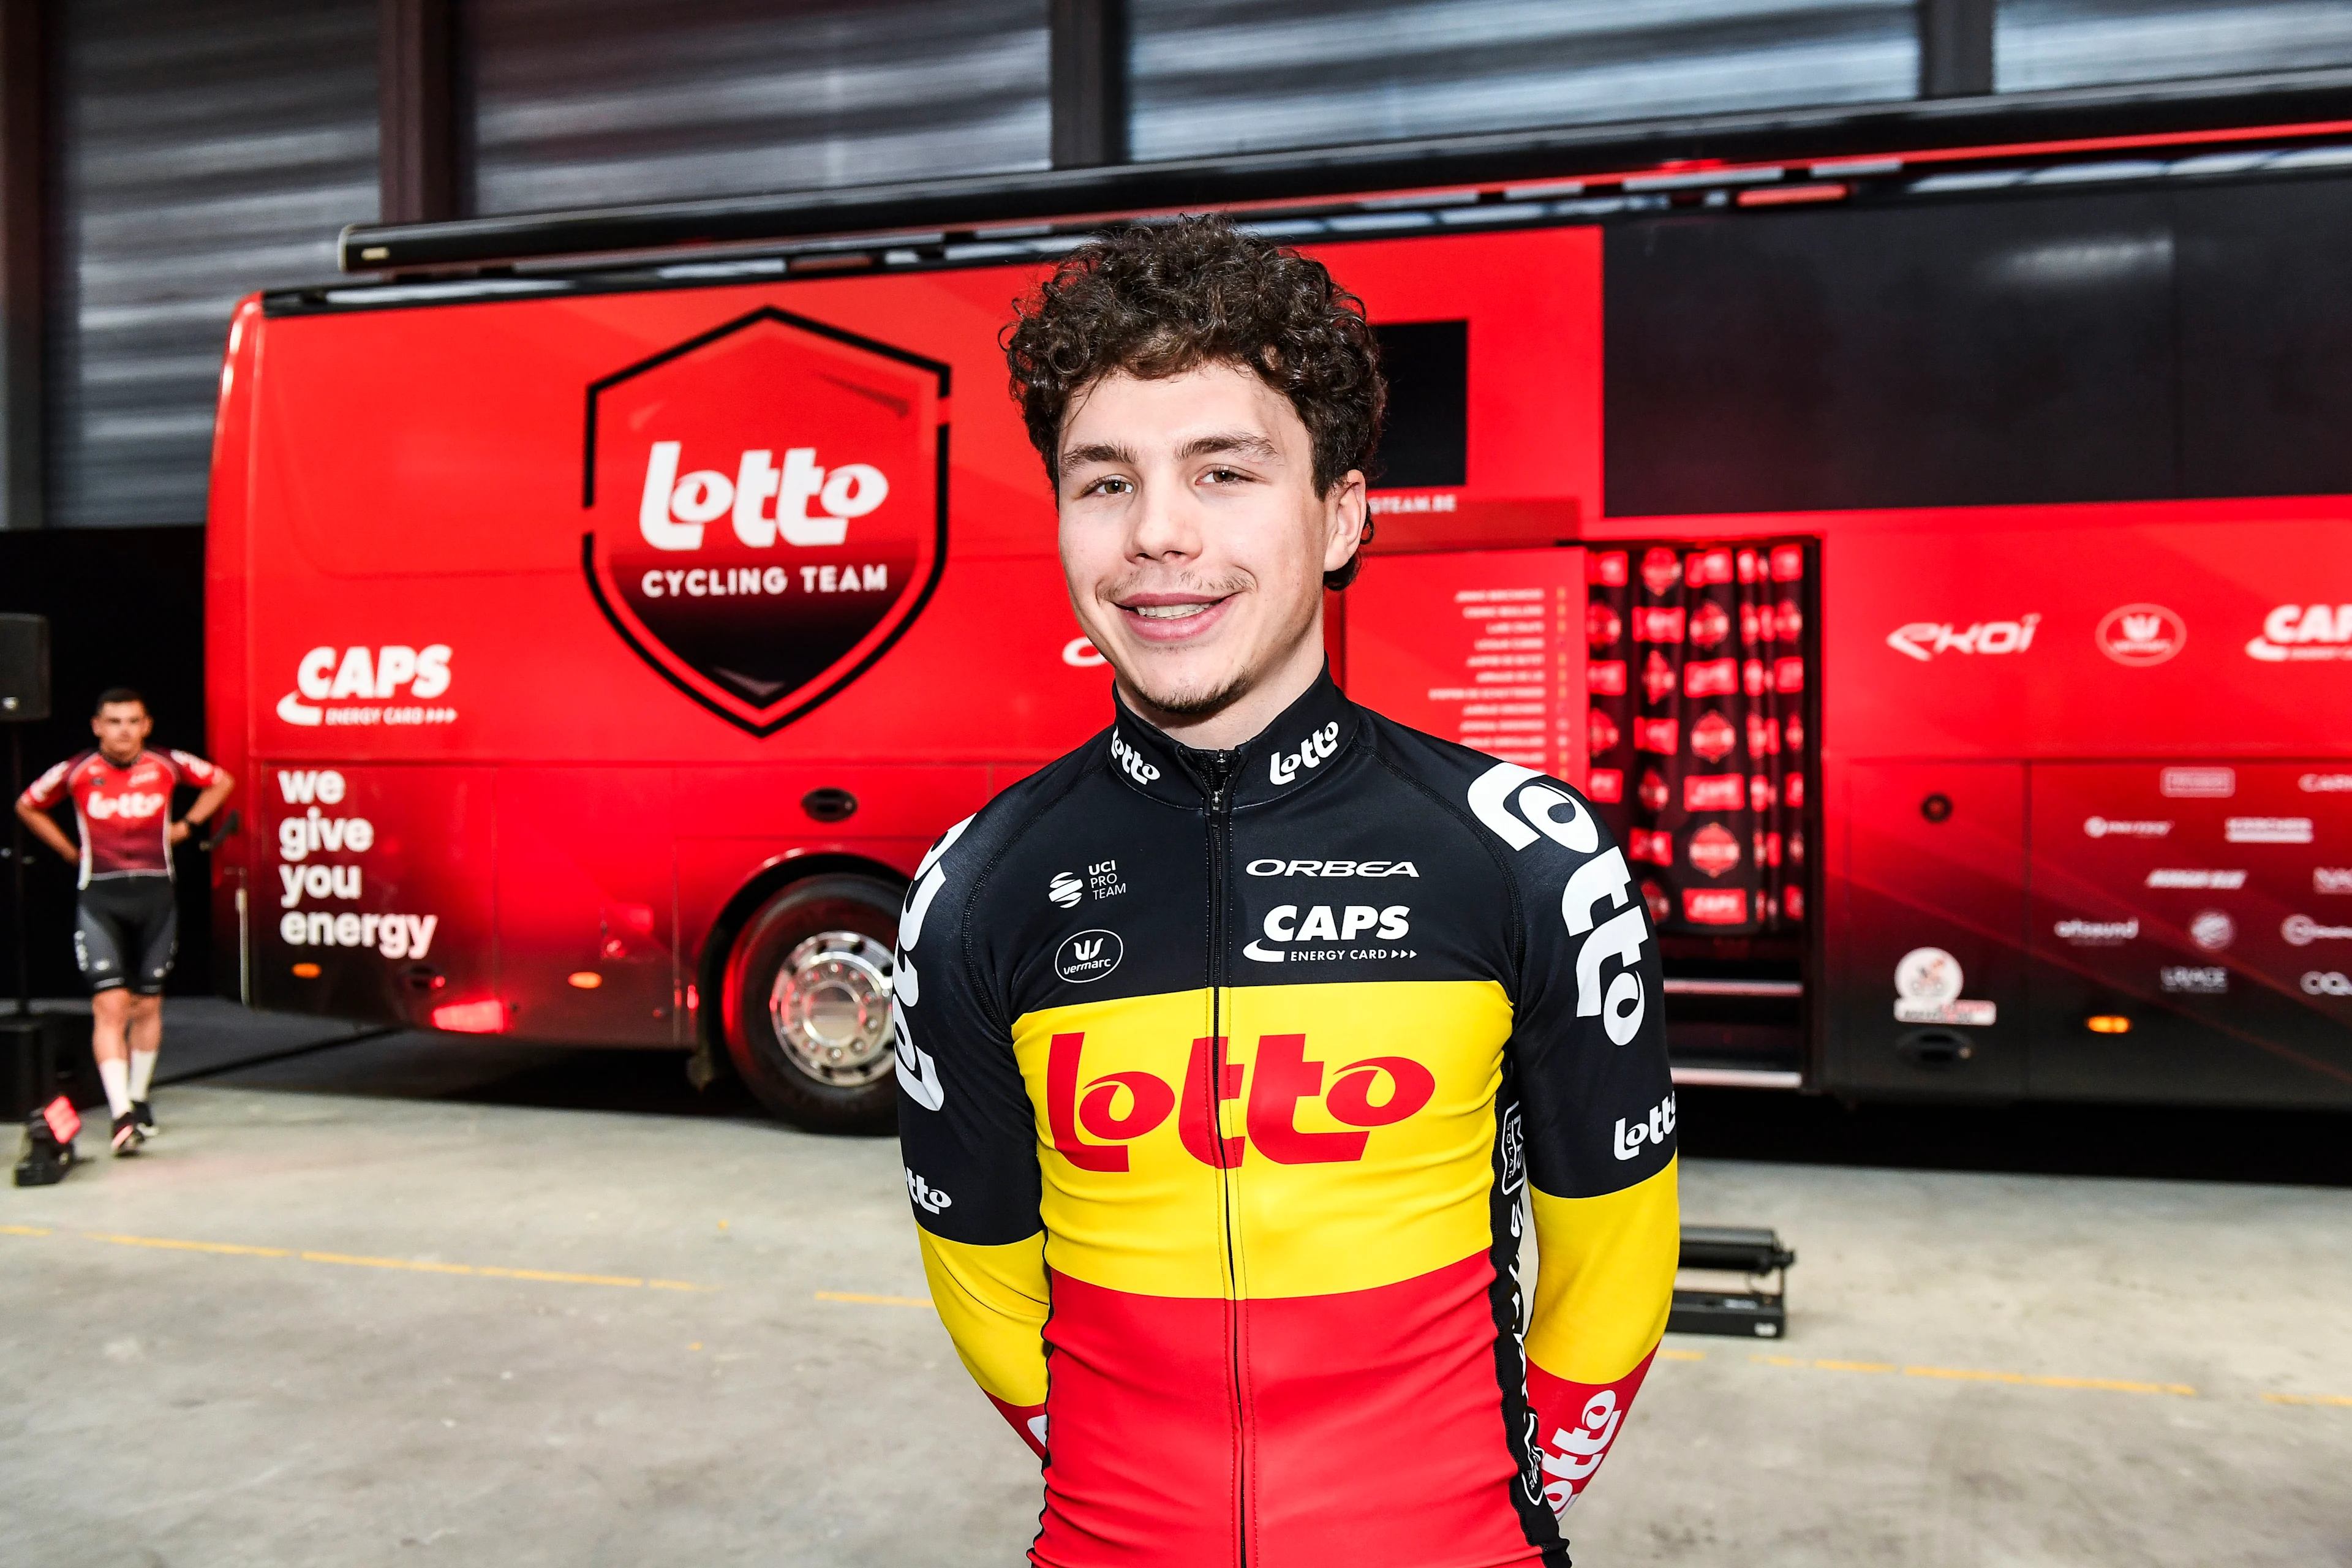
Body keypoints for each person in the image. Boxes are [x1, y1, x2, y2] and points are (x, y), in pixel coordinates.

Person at [895, 215, 1678, 1567]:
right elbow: (984, 1285)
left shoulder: (1531, 851)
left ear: (1341, 513)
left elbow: (1613, 1268)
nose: (1158, 535)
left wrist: (1498, 1502)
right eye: (1105, 481)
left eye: (1225, 471)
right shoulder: (972, 889)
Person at [15, 688, 234, 1155]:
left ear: (147, 725)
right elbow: (27, 804)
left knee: (149, 1005)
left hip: (158, 898)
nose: (123, 731)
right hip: (101, 898)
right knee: (110, 1005)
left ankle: (138, 1098)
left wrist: (189, 827)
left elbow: (221, 781)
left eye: (133, 721)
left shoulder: (166, 764)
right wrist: (65, 851)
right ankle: (121, 1115)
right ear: (97, 726)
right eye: (114, 722)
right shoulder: (77, 770)